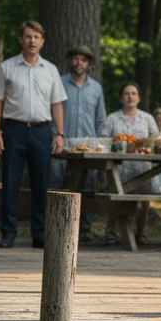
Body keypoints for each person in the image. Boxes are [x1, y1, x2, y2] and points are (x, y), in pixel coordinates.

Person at [0, 20, 67, 249]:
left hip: (42, 131)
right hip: (13, 130)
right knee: (10, 182)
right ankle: (8, 233)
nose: (32, 41)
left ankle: (40, 233)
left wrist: (59, 134)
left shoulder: (50, 70)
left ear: (42, 42)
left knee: (41, 184)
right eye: (28, 36)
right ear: (21, 39)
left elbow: (57, 105)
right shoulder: (7, 67)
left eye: (37, 37)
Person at [50, 44, 106, 242]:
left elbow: (100, 119)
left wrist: (99, 144)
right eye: (75, 58)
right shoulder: (59, 83)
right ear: (69, 60)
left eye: (83, 59)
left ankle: (83, 231)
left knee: (87, 187)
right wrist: (54, 134)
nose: (79, 62)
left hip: (88, 147)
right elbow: (51, 111)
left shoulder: (96, 88)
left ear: (89, 63)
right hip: (61, 144)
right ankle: (54, 229)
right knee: (56, 184)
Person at [99, 82, 159, 246]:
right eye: (126, 93)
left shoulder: (147, 119)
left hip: (143, 169)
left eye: (134, 93)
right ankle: (111, 231)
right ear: (121, 98)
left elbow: (156, 141)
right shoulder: (112, 119)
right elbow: (103, 141)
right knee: (116, 198)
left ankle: (140, 233)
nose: (130, 97)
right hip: (119, 169)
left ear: (139, 98)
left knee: (144, 201)